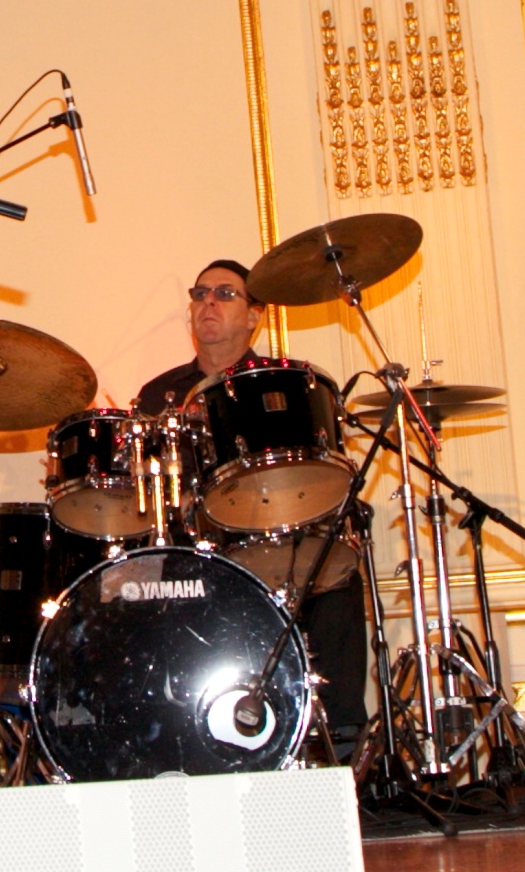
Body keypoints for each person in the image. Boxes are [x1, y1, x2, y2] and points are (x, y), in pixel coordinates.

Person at [130, 257, 371, 760]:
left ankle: (343, 742)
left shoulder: (281, 383)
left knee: (336, 572)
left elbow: (318, 481)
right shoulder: (159, 394)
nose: (208, 303)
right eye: (200, 294)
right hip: (197, 551)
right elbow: (142, 497)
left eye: (225, 294)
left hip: (277, 538)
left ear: (254, 316)